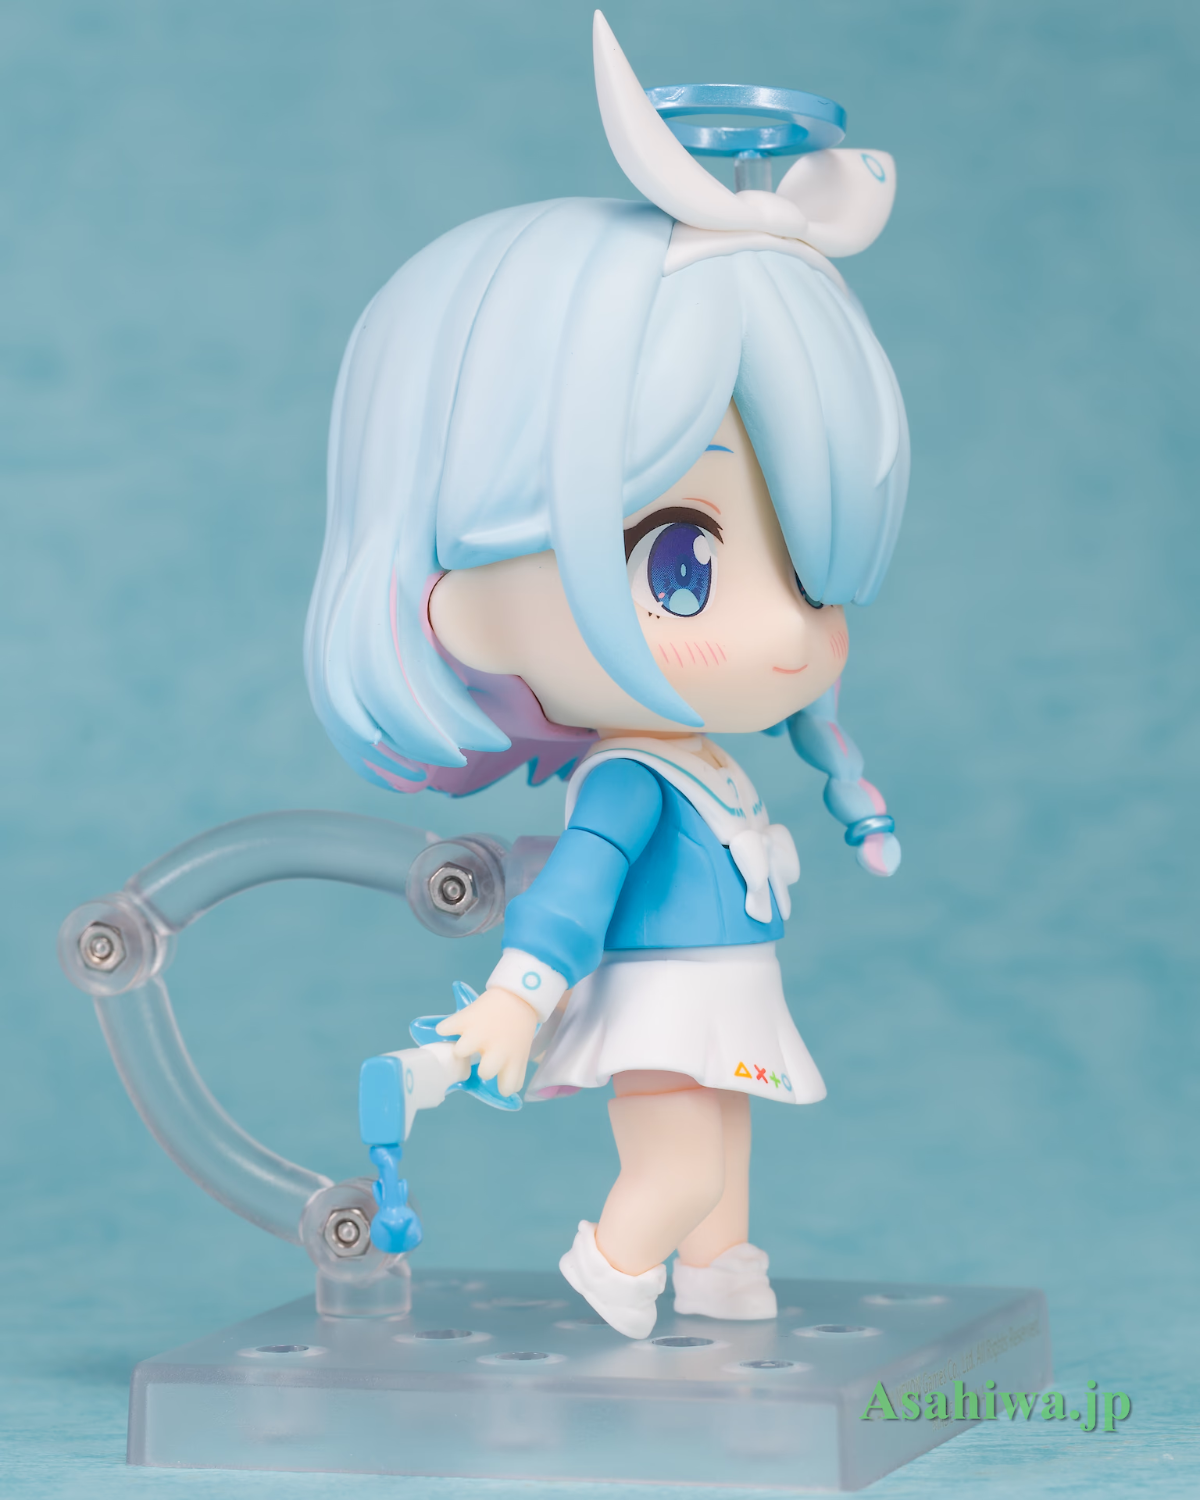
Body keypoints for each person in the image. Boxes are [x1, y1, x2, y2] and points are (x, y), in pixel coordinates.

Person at [306, 14, 909, 1338]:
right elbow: (577, 894)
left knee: (725, 1151)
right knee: (677, 1162)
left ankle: (721, 1272)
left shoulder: (706, 762)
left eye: (809, 571)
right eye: (685, 561)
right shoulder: (635, 777)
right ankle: (617, 1274)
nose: (784, 629)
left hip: (724, 995)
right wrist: (517, 1000)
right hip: (664, 1000)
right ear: (463, 592)